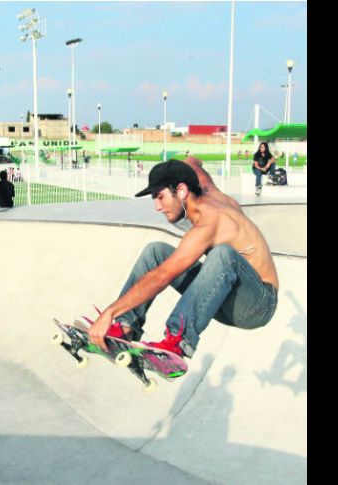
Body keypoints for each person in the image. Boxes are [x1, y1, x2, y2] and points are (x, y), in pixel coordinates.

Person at [87, 158, 279, 368]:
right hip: (224, 295)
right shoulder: (203, 187)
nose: (157, 207)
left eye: (160, 197)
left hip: (257, 305)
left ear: (181, 190)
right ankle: (125, 326)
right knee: (155, 251)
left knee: (223, 255)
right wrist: (185, 159)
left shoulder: (209, 222)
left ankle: (178, 342)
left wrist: (109, 311)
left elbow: (163, 276)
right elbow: (195, 164)